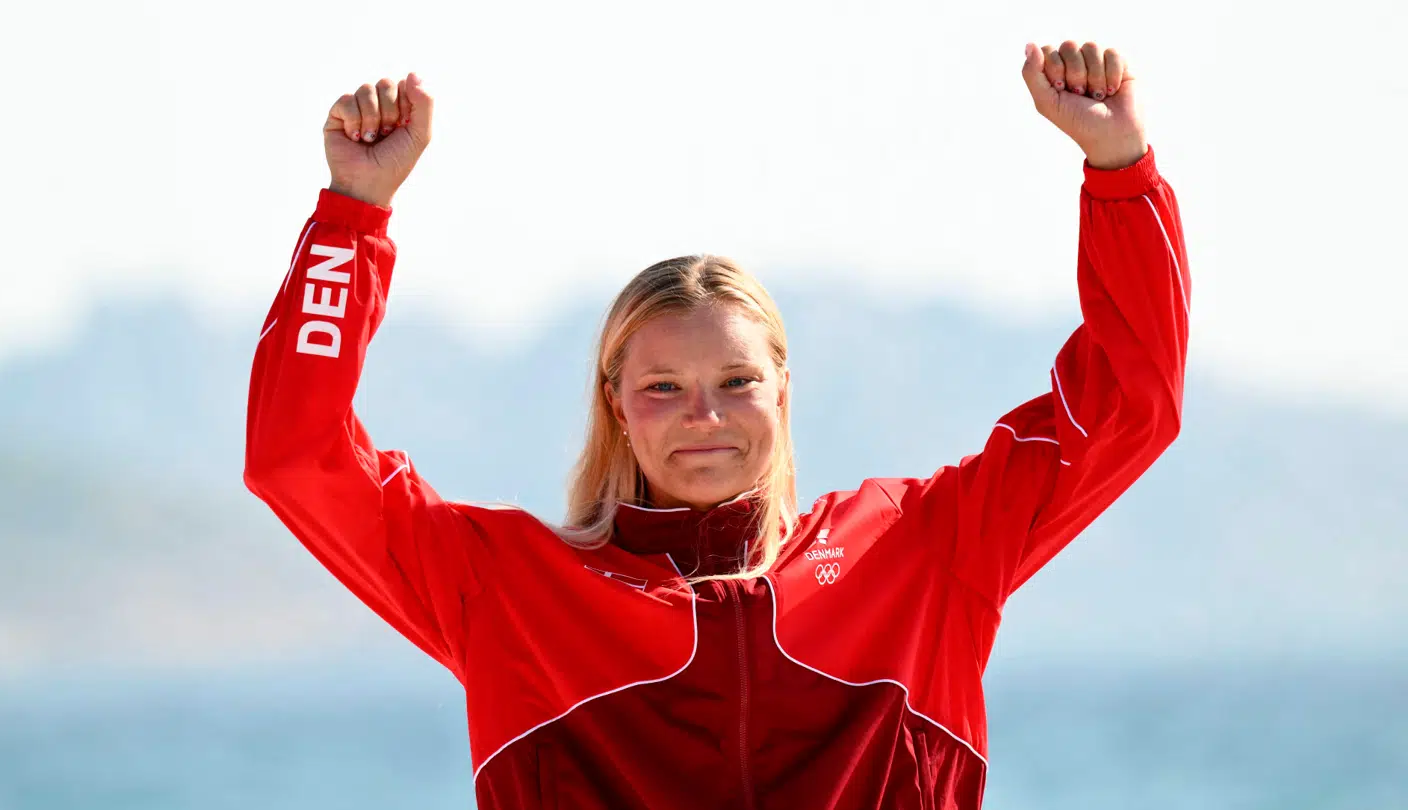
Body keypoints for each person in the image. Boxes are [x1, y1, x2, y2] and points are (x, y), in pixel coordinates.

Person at [245, 39, 1189, 810]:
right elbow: (298, 459)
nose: (703, 415)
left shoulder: (920, 550)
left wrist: (1119, 171)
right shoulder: (511, 591)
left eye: (736, 380)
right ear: (616, 405)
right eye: (662, 387)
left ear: (783, 388)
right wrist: (353, 214)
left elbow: (1129, 407)